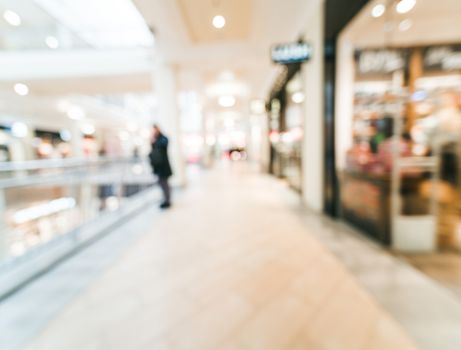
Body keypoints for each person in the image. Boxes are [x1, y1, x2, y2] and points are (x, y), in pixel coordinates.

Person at [149, 125, 173, 209]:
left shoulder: (163, 138)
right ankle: (165, 199)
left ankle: (167, 200)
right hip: (158, 166)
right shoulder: (153, 139)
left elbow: (163, 146)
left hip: (163, 166)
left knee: (164, 183)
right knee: (161, 183)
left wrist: (155, 141)